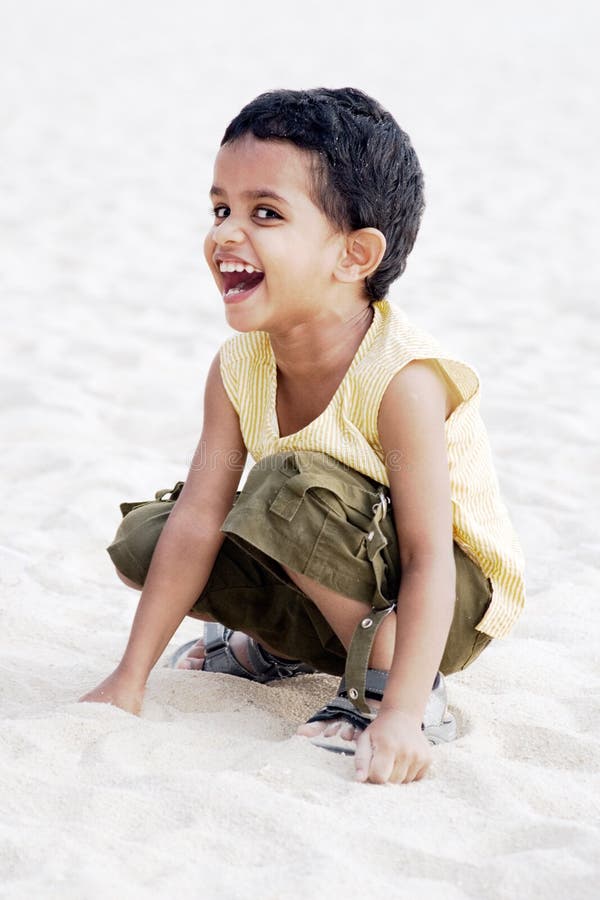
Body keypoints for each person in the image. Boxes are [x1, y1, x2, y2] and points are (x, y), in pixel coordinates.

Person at [80, 88, 525, 785]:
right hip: (337, 560)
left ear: (354, 255)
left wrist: (402, 715)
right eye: (220, 208)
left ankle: (387, 683)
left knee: (285, 488)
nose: (227, 233)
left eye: (265, 213)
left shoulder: (401, 379)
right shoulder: (237, 366)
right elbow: (200, 520)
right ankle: (281, 646)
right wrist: (127, 679)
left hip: (446, 602)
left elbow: (429, 554)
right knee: (151, 538)